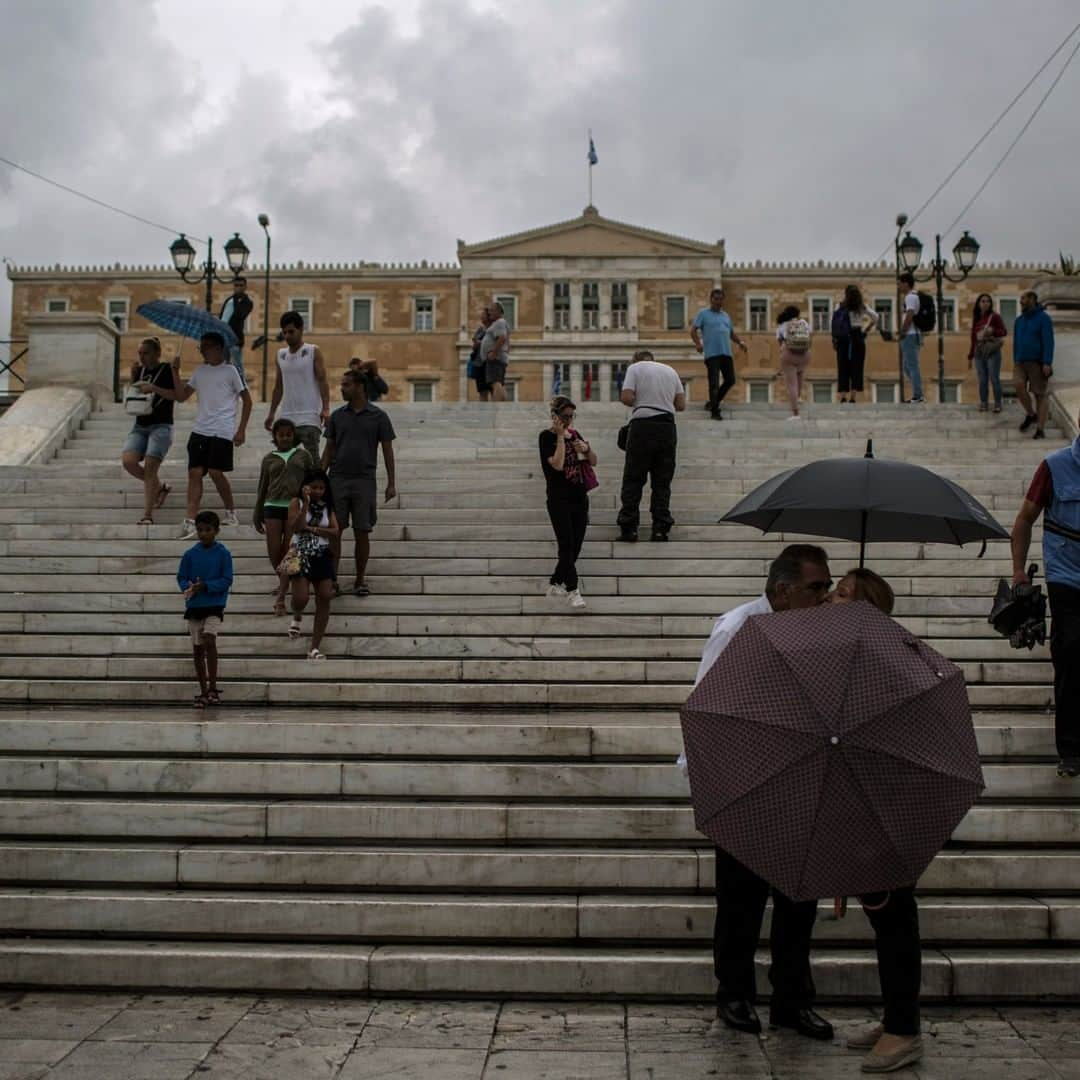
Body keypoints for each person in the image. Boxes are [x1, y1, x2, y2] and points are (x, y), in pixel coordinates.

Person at [693, 544, 835, 1042]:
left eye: (827, 586)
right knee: (740, 900)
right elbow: (706, 704)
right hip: (745, 781)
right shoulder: (737, 629)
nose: (825, 596)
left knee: (800, 900)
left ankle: (792, 1000)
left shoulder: (821, 633)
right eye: (815, 587)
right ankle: (734, 994)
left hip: (802, 780)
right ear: (781, 590)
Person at [829, 567, 924, 1074]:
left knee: (893, 916)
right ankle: (894, 1016)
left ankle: (904, 1029)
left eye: (841, 593)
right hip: (861, 802)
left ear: (866, 608)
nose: (828, 599)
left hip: (886, 806)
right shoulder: (852, 656)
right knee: (882, 912)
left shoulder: (881, 661)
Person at [1010, 405, 1080, 778]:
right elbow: (1024, 519)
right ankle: (1070, 750)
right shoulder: (1054, 466)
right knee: (1069, 651)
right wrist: (1019, 571)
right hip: (1067, 576)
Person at [136, 331, 252, 540]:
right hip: (200, 430)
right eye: (201, 347)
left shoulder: (231, 371)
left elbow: (248, 400)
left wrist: (241, 429)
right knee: (194, 474)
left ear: (217, 348)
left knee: (216, 472)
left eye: (205, 347)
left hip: (222, 429)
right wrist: (175, 371)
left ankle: (231, 512)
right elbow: (180, 397)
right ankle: (190, 520)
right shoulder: (200, 372)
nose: (202, 351)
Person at [323, 368, 397, 596]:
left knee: (362, 531)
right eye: (342, 384)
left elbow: (387, 450)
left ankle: (360, 580)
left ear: (360, 387)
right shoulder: (336, 416)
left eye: (346, 385)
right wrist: (315, 478)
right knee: (335, 531)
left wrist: (391, 482)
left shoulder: (379, 416)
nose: (342, 388)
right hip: (337, 479)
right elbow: (329, 449)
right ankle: (332, 580)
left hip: (364, 480)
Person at [616, 350, 686, 543]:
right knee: (662, 482)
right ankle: (660, 529)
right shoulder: (670, 371)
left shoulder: (634, 368)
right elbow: (680, 405)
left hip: (642, 428)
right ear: (653, 360)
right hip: (667, 428)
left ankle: (629, 528)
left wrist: (642, 397)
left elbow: (627, 398)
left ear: (635, 360)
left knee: (633, 479)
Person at [539, 396, 597, 609]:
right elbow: (557, 464)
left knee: (576, 546)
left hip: (580, 497)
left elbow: (594, 461)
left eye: (572, 416)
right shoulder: (545, 438)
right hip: (558, 498)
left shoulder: (576, 434)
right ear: (555, 416)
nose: (569, 421)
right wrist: (561, 438)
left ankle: (555, 582)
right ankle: (573, 590)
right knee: (566, 545)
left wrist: (586, 449)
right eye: (565, 417)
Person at [254, 418, 315, 615]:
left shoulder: (303, 456)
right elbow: (262, 486)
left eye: (289, 434)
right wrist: (257, 512)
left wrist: (311, 506)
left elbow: (312, 481)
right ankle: (284, 581)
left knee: (289, 548)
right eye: (281, 434)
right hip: (271, 506)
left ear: (293, 435)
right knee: (274, 551)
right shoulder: (269, 458)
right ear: (275, 437)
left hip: (293, 506)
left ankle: (281, 595)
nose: (286, 438)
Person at [177, 510, 233, 709]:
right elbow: (181, 577)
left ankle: (213, 687)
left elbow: (227, 579)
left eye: (208, 530)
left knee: (210, 639)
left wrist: (207, 586)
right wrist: (188, 588)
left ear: (216, 531)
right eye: (200, 530)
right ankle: (203, 690)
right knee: (198, 648)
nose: (203, 534)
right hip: (195, 605)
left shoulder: (223, 554)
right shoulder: (190, 554)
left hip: (214, 604)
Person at [284, 470, 340, 661]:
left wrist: (315, 529)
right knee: (301, 598)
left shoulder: (327, 507)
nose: (318, 491)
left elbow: (335, 531)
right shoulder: (296, 503)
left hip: (321, 553)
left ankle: (314, 647)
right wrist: (306, 504)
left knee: (325, 596)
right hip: (300, 552)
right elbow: (296, 527)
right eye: (314, 487)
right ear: (305, 487)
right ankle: (297, 614)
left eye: (321, 488)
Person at [122, 336, 175, 525]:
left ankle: (147, 514)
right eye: (140, 353)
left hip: (161, 425)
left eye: (146, 353)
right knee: (128, 462)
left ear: (157, 353)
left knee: (151, 468)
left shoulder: (167, 370)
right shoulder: (140, 370)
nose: (142, 357)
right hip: (140, 424)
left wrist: (154, 388)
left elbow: (176, 395)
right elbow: (134, 396)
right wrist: (132, 377)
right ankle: (159, 488)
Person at [265, 310, 330, 460]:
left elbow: (322, 380)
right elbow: (278, 387)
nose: (287, 336)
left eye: (291, 331)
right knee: (285, 461)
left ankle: (318, 483)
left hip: (309, 417)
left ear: (301, 329)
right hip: (287, 417)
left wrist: (326, 408)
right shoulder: (281, 354)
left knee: (313, 460)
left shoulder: (312, 351)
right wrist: (271, 413)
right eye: (285, 332)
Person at [691, 287, 749, 420]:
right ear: (711, 299)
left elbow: (731, 333)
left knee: (730, 380)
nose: (718, 302)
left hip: (726, 353)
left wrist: (740, 342)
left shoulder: (725, 316)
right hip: (712, 354)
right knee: (714, 383)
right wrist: (698, 344)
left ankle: (712, 403)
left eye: (720, 299)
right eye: (715, 299)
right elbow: (693, 330)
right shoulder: (703, 314)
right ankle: (715, 411)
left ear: (723, 300)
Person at [1013, 289, 1055, 440]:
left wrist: (1047, 362)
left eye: (1023, 298)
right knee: (1018, 385)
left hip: (1037, 362)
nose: (1021, 301)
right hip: (1020, 362)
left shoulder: (1043, 318)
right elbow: (1016, 342)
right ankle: (1031, 414)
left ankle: (1040, 429)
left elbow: (1048, 341)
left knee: (1040, 394)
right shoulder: (1018, 321)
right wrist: (1015, 358)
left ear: (1032, 299)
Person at [832, 285, 880, 404]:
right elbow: (876, 317)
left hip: (843, 339)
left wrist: (834, 340)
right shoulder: (862, 306)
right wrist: (866, 329)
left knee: (843, 367)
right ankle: (853, 397)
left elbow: (834, 323)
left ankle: (843, 397)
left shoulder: (839, 306)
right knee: (856, 367)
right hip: (857, 337)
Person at [968, 293, 1008, 414]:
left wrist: (992, 331)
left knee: (994, 378)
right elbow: (973, 338)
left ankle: (997, 404)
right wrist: (970, 355)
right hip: (979, 351)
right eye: (983, 301)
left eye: (988, 301)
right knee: (982, 379)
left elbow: (1004, 332)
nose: (985, 303)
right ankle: (984, 403)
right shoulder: (976, 318)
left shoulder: (995, 316)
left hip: (992, 351)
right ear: (978, 304)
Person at [775, 305, 812, 420]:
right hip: (805, 354)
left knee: (792, 384)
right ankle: (799, 397)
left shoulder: (782, 326)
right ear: (797, 314)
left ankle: (795, 414)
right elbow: (810, 337)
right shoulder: (803, 323)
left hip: (789, 354)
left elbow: (780, 342)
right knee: (800, 375)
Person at [218, 276, 253, 382]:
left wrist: (237, 300)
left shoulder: (247, 302)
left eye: (241, 285)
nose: (238, 288)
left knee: (237, 365)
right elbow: (223, 317)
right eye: (236, 285)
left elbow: (240, 315)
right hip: (223, 337)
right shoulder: (229, 300)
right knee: (222, 364)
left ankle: (242, 388)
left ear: (245, 287)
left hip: (234, 338)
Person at [898, 272, 925, 403]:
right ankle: (918, 392)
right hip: (912, 334)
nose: (898, 286)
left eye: (899, 283)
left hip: (910, 335)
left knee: (912, 366)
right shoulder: (912, 297)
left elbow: (909, 316)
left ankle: (918, 395)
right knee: (907, 368)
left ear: (906, 283)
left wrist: (902, 332)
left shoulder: (910, 297)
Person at [479, 300, 510, 402]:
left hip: (495, 358)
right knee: (499, 383)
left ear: (498, 311)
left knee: (495, 382)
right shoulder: (500, 323)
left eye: (491, 311)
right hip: (498, 357)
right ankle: (502, 405)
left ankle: (496, 406)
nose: (489, 313)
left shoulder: (499, 322)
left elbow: (502, 337)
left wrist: (494, 353)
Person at [469, 308, 493, 401]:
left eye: (483, 314)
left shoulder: (493, 329)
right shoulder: (480, 329)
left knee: (492, 388)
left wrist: (481, 343)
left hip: (489, 362)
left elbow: (494, 344)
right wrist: (475, 344)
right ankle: (483, 412)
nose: (481, 316)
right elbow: (474, 345)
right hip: (479, 362)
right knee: (482, 390)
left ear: (488, 316)